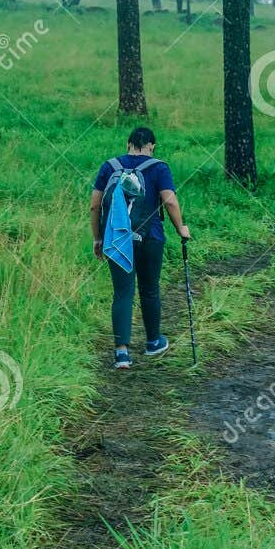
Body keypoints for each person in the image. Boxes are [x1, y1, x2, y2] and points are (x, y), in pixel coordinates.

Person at [90, 127, 190, 370]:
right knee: (149, 289)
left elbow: (94, 206)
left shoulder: (109, 166)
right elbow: (169, 200)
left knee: (122, 293)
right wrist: (181, 229)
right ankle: (153, 342)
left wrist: (97, 238)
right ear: (152, 146)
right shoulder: (159, 167)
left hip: (117, 239)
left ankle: (121, 354)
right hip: (151, 237)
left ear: (128, 144)